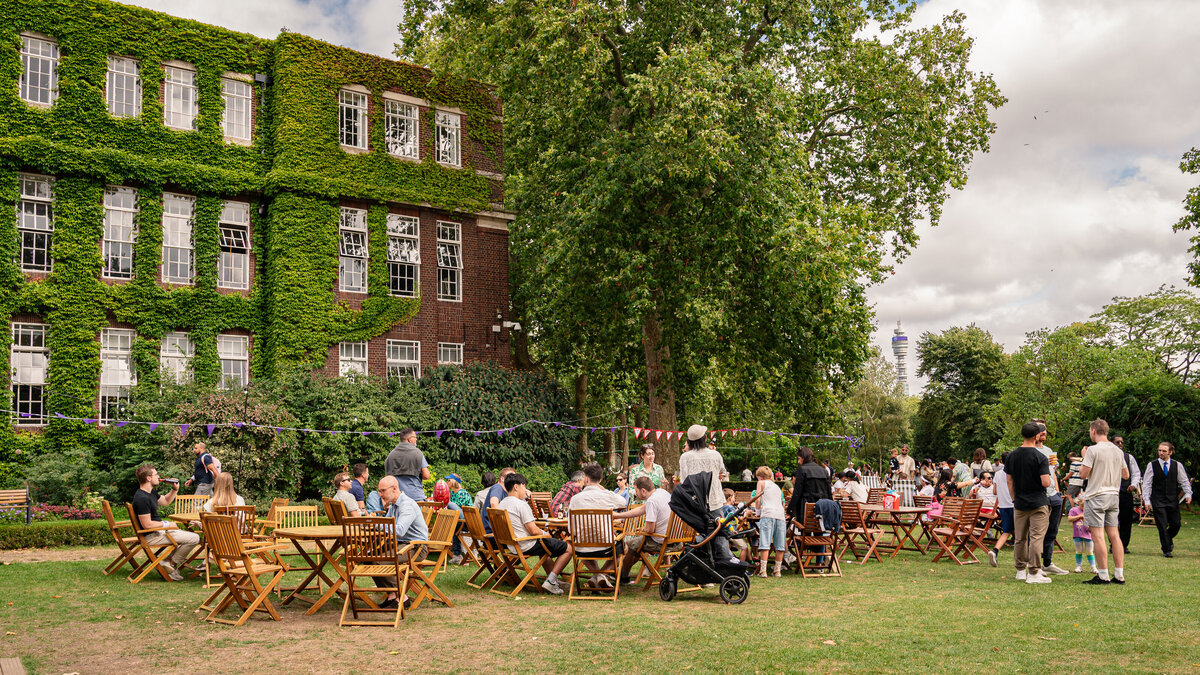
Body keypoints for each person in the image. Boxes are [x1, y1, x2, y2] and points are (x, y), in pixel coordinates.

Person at [497, 472, 574, 595]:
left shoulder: (502, 504)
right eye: (524, 486)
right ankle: (552, 580)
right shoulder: (521, 505)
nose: (526, 490)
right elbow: (533, 530)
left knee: (545, 549)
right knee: (568, 548)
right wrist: (546, 534)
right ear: (516, 487)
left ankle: (552, 580)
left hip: (512, 545)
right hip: (526, 544)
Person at [568, 463, 638, 587]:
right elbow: (623, 501)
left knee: (579, 546)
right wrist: (604, 489)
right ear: (600, 480)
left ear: (586, 479)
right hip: (606, 547)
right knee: (624, 548)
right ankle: (602, 575)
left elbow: (570, 529)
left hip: (581, 547)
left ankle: (597, 576)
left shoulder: (575, 499)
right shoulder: (607, 495)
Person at [1079, 419, 1128, 584]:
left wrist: (1084, 457)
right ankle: (1119, 574)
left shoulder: (1092, 450)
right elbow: (1126, 475)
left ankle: (1103, 574)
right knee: (1114, 535)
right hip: (1114, 495)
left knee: (1098, 535)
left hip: (1097, 495)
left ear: (1093, 431)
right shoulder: (1118, 450)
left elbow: (1083, 474)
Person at [132, 464, 201, 581]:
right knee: (194, 538)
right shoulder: (142, 498)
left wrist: (175, 489)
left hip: (158, 532)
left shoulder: (150, 493)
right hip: (151, 535)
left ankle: (168, 563)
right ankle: (170, 563)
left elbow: (165, 501)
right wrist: (167, 524)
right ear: (148, 478)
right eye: (156, 474)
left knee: (185, 537)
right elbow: (147, 525)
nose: (158, 477)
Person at [678, 424, 732, 562]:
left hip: (695, 503)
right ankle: (724, 563)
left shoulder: (685, 457)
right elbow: (722, 472)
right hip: (714, 500)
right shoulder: (715, 455)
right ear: (705, 438)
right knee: (719, 533)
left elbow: (684, 480)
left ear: (689, 442)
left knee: (701, 533)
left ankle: (701, 563)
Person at [372, 475, 428, 609]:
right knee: (369, 558)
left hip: (415, 547)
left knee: (380, 560)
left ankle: (402, 598)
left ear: (395, 488)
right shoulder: (393, 505)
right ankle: (392, 596)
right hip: (402, 544)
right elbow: (387, 526)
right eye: (379, 491)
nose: (380, 494)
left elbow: (400, 530)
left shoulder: (407, 505)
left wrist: (376, 523)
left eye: (383, 491)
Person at [1007, 422, 1053, 584]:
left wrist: (1014, 498)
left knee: (1020, 537)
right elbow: (1046, 482)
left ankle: (1020, 570)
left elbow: (1009, 481)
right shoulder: (1040, 457)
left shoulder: (1012, 455)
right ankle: (1034, 572)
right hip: (1038, 502)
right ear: (1036, 437)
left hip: (1019, 502)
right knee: (1036, 538)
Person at [1141, 441, 1193, 558]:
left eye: (1164, 451)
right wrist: (1147, 501)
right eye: (1159, 450)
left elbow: (1184, 481)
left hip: (1172, 500)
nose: (1161, 453)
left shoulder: (1177, 465)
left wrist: (1188, 494)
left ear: (1170, 452)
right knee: (1162, 525)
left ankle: (1168, 537)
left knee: (1176, 524)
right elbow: (1147, 484)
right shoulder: (1152, 465)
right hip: (1157, 500)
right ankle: (1166, 549)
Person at [617, 476, 673, 583]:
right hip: (674, 540)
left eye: (637, 491)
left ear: (643, 490)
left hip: (660, 541)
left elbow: (650, 530)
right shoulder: (663, 492)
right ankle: (621, 572)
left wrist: (643, 529)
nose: (636, 494)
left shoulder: (652, 501)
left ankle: (621, 576)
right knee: (637, 544)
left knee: (629, 545)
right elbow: (642, 509)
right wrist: (619, 516)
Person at [1032, 421, 1068, 576]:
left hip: (1053, 495)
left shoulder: (1048, 450)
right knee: (1036, 532)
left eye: (1046, 430)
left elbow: (1052, 472)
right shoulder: (1029, 451)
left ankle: (1047, 562)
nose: (1045, 433)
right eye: (1042, 430)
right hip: (1038, 495)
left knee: (1052, 531)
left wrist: (1058, 493)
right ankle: (1034, 565)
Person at [754, 466, 787, 577]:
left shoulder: (761, 483)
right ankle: (777, 571)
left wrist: (757, 511)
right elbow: (782, 503)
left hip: (768, 514)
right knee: (780, 545)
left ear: (759, 477)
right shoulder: (777, 486)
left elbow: (758, 499)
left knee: (765, 543)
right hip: (780, 515)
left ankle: (763, 571)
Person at [787, 446, 832, 523]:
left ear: (803, 458)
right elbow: (829, 492)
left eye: (799, 458)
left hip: (806, 508)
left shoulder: (802, 469)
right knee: (819, 530)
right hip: (821, 507)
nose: (798, 461)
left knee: (806, 531)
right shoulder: (823, 471)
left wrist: (790, 508)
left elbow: (797, 493)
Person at [384, 428, 430, 501]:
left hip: (398, 498)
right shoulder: (417, 453)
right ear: (410, 439)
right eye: (415, 437)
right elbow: (426, 475)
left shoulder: (390, 455)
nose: (416, 439)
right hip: (415, 497)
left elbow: (387, 479)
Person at [1114, 436, 1141, 553]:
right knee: (1113, 520)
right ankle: (1114, 544)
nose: (1120, 444)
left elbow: (1136, 473)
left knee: (1126, 520)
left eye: (1122, 442)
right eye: (1117, 442)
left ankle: (1124, 545)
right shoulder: (1107, 456)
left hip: (1126, 492)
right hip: (1112, 492)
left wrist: (1134, 485)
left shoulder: (1129, 457)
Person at [988, 452, 1014, 567]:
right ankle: (1026, 558)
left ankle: (995, 551)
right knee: (1022, 534)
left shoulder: (997, 474)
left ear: (1002, 462)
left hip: (1003, 506)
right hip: (1014, 505)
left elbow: (994, 492)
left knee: (1006, 532)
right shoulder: (1015, 472)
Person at [479, 467, 515, 534]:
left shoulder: (506, 492)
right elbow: (493, 503)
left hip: (493, 531)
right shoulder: (498, 487)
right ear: (502, 478)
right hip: (493, 533)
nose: (513, 479)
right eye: (510, 477)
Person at [1067, 496, 1097, 574]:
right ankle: (1078, 566)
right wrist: (1079, 516)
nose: (1084, 508)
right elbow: (1069, 518)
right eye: (1082, 506)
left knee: (1090, 551)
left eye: (1086, 506)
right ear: (1078, 503)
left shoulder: (1090, 511)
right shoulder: (1073, 510)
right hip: (1077, 534)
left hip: (1088, 535)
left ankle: (1093, 567)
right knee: (1078, 551)